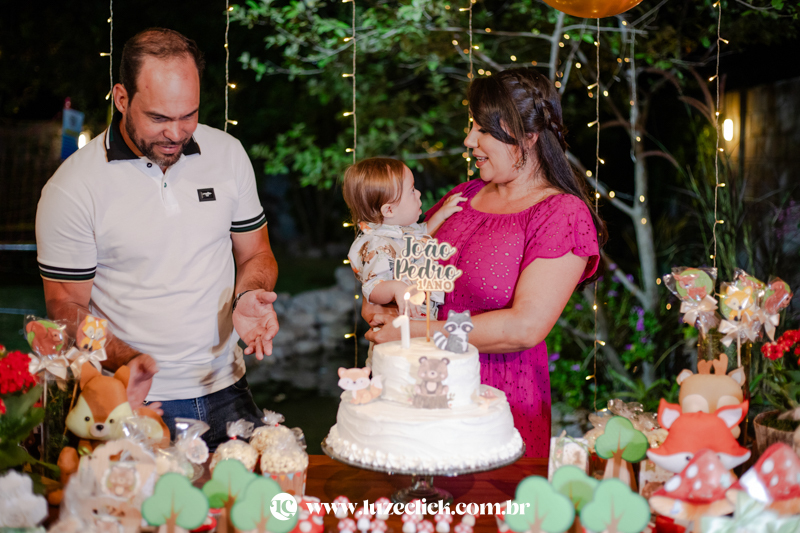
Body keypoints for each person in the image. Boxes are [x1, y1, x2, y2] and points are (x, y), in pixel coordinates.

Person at [35, 28, 279, 450]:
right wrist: (129, 359)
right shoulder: (72, 188)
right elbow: (65, 306)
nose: (177, 133)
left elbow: (256, 252)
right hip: (130, 398)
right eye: (159, 118)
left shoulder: (228, 154)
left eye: (189, 115)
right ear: (122, 98)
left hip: (228, 388)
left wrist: (249, 294)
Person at [365, 68, 606, 458]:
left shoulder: (561, 214)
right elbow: (406, 263)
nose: (468, 140)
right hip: (416, 390)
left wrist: (418, 331)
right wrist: (382, 303)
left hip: (495, 395)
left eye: (482, 130)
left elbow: (525, 327)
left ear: (528, 136)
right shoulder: (464, 195)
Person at [343, 157, 464, 318]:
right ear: (389, 210)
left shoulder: (402, 230)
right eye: (412, 190)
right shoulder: (378, 246)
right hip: (402, 319)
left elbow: (424, 234)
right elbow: (372, 288)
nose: (418, 193)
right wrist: (396, 288)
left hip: (422, 316)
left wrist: (442, 214)